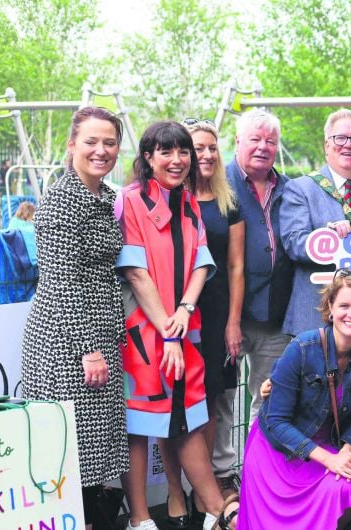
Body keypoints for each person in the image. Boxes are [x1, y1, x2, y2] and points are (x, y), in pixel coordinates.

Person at [20, 106, 128, 530]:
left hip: (95, 337)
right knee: (69, 452)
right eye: (91, 142)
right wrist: (90, 351)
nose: (101, 150)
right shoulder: (61, 203)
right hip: (67, 344)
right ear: (71, 146)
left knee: (88, 454)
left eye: (109, 142)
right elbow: (63, 283)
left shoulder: (105, 197)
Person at [116, 121, 223, 530]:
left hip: (180, 325)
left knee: (187, 415)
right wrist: (168, 329)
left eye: (183, 152)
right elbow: (137, 274)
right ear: (147, 157)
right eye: (166, 152)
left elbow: (200, 262)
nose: (177, 160)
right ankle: (140, 518)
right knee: (140, 422)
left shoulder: (189, 203)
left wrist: (183, 310)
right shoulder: (128, 202)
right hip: (142, 332)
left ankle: (216, 509)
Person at [236, 270, 351, 530]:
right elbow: (276, 421)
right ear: (330, 307)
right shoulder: (303, 348)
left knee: (346, 487)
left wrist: (346, 453)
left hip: (323, 447)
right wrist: (330, 460)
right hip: (277, 450)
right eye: (344, 305)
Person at [280, 108, 351, 345]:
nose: (348, 145)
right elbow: (293, 243)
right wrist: (326, 239)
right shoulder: (301, 189)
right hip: (317, 317)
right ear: (327, 145)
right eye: (340, 138)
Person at [183, 119, 245, 506]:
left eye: (211, 147)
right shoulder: (172, 197)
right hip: (181, 313)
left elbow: (236, 267)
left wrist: (234, 322)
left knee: (216, 402)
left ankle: (212, 486)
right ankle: (191, 490)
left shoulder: (229, 202)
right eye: (197, 148)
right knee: (188, 402)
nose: (205, 155)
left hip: (219, 311)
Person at [226, 109, 293, 422]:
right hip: (227, 313)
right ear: (238, 141)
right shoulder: (217, 184)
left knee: (270, 399)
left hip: (276, 316)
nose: (263, 147)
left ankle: (258, 468)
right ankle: (222, 470)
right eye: (255, 139)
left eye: (271, 141)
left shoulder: (291, 188)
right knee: (221, 400)